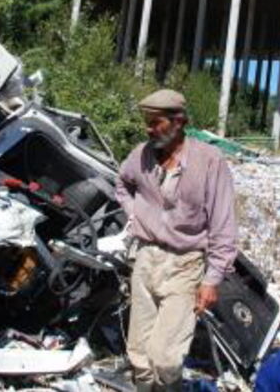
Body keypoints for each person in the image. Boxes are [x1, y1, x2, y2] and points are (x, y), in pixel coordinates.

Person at [115, 89, 237, 392]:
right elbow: (122, 183)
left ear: (178, 121)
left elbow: (223, 223)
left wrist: (212, 279)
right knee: (140, 354)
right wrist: (135, 213)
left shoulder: (209, 160)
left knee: (166, 357)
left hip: (185, 265)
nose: (149, 129)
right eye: (147, 122)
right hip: (145, 259)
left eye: (156, 123)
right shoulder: (140, 155)